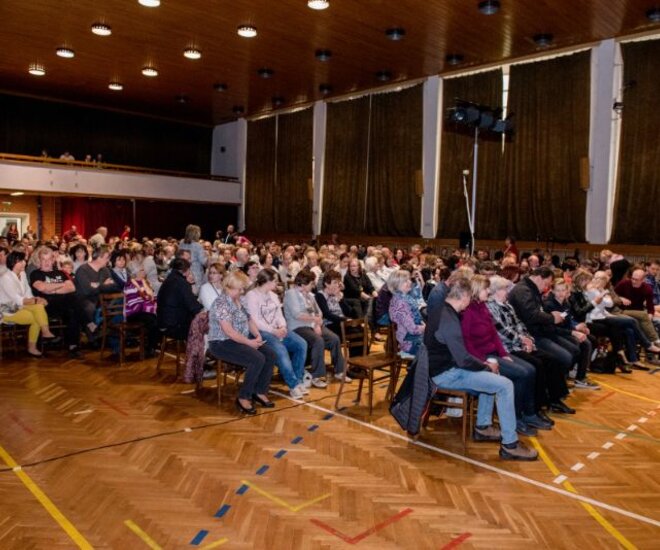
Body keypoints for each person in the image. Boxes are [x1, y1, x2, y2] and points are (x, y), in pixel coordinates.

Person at [425, 277, 537, 460]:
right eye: (469, 298)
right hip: (446, 374)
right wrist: (485, 366)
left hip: (446, 368)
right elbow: (463, 360)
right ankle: (510, 445)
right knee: (505, 385)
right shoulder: (449, 319)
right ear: (464, 296)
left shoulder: (443, 311)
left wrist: (486, 366)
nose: (470, 302)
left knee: (492, 378)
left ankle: (483, 427)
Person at [461, 275, 550, 435]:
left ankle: (528, 414)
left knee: (530, 369)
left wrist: (503, 353)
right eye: (485, 289)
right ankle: (516, 419)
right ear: (476, 291)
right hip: (483, 356)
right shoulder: (469, 310)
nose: (488, 291)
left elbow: (494, 335)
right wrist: (484, 361)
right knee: (522, 373)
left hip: (495, 352)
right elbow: (466, 341)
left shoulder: (482, 307)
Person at [486, 276, 567, 422]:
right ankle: (533, 408)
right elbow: (501, 332)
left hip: (520, 344)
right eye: (505, 289)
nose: (508, 292)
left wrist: (529, 339)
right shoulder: (490, 307)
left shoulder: (507, 305)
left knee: (552, 360)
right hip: (510, 347)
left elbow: (519, 324)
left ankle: (550, 401)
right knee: (536, 366)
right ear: (496, 291)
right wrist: (521, 340)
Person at [208, 270, 277, 415]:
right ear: (228, 287)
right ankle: (243, 397)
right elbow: (229, 332)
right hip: (221, 343)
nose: (241, 291)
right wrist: (249, 343)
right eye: (239, 289)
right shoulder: (221, 303)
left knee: (270, 354)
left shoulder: (239, 300)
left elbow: (249, 319)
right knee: (256, 359)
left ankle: (259, 391)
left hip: (240, 340)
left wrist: (257, 335)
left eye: (242, 288)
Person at [246, 268, 308, 400]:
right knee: (281, 350)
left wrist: (283, 327)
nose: (277, 283)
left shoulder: (273, 296)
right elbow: (255, 320)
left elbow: (279, 315)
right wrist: (274, 331)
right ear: (267, 281)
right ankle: (293, 385)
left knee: (301, 344)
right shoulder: (251, 295)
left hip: (277, 330)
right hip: (261, 332)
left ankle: (298, 379)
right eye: (275, 281)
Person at [284, 270, 348, 388]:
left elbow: (319, 312)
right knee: (318, 340)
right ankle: (317, 376)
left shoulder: (310, 295)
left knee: (334, 338)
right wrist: (315, 320)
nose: (313, 286)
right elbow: (297, 315)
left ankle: (340, 371)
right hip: (298, 326)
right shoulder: (291, 294)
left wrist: (317, 324)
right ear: (303, 284)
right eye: (311, 284)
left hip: (313, 325)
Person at [0, 251, 59, 357]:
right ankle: (41, 334)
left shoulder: (22, 274)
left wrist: (36, 299)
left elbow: (28, 292)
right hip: (7, 310)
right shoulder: (5, 278)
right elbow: (16, 299)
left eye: (24, 261)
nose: (24, 263)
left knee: (38, 310)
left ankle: (42, 334)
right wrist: (37, 300)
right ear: (13, 263)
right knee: (37, 314)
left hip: (20, 306)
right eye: (21, 261)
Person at [543, 279, 599, 389]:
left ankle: (580, 377)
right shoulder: (548, 305)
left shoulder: (566, 303)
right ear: (552, 291)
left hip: (564, 332)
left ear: (567, 291)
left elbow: (568, 323)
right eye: (557, 290)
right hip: (554, 334)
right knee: (575, 347)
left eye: (563, 290)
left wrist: (577, 330)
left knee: (586, 342)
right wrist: (573, 332)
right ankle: (564, 376)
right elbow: (552, 328)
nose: (560, 293)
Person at [29, 246, 83, 358]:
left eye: (49, 259)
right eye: (43, 259)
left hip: (64, 304)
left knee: (73, 308)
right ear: (39, 260)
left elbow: (72, 288)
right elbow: (42, 288)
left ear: (53, 260)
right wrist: (62, 285)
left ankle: (73, 346)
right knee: (74, 303)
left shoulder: (61, 272)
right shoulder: (36, 274)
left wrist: (51, 289)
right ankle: (89, 324)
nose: (47, 262)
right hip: (46, 306)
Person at [75, 244, 118, 339]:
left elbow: (114, 286)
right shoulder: (83, 270)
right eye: (107, 258)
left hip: (101, 298)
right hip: (85, 300)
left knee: (118, 305)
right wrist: (104, 285)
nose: (108, 261)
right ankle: (92, 336)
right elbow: (87, 290)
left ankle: (112, 334)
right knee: (90, 308)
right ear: (99, 258)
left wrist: (98, 285)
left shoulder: (105, 270)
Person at [157, 258, 203, 340]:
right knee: (203, 323)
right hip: (174, 326)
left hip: (162, 321)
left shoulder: (169, 279)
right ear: (187, 270)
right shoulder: (181, 283)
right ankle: (198, 351)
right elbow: (193, 306)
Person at [388, 270, 426, 357]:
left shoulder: (403, 297)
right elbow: (412, 329)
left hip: (413, 338)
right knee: (439, 350)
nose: (409, 282)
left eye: (408, 279)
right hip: (409, 342)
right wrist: (426, 328)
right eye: (405, 281)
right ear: (397, 285)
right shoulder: (400, 302)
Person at [178, 224, 207, 294]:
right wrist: (208, 258)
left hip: (183, 271)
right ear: (196, 234)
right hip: (196, 274)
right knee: (195, 294)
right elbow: (203, 261)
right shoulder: (198, 245)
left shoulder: (181, 243)